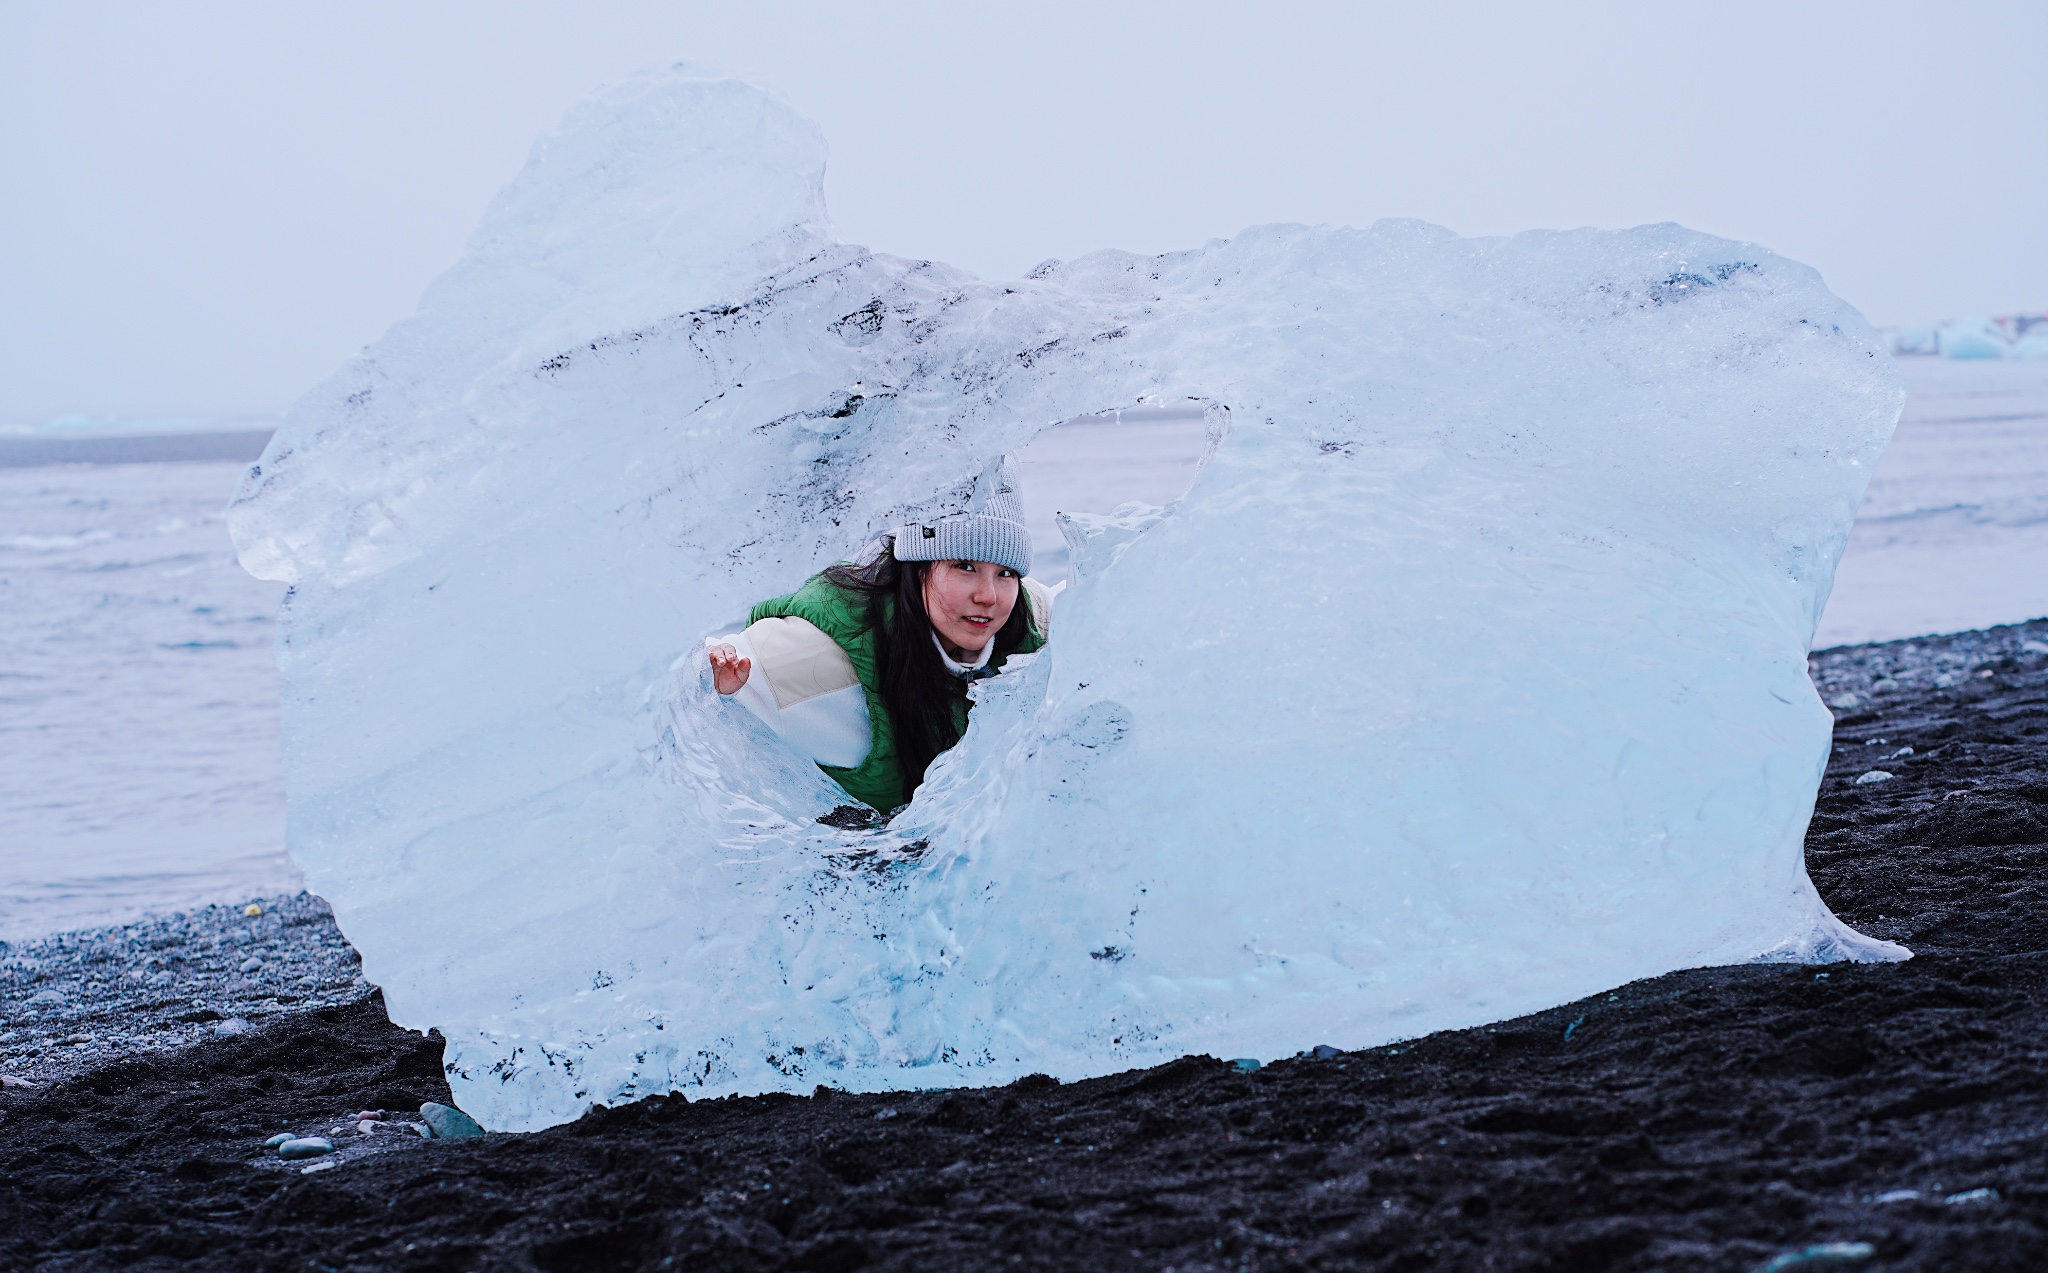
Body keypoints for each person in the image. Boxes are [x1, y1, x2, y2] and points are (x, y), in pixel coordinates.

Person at [707, 459, 1055, 812]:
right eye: (964, 566)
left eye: (1006, 572)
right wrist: (716, 684)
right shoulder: (817, 661)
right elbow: (679, 689)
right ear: (918, 567)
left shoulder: (1036, 625)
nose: (988, 596)